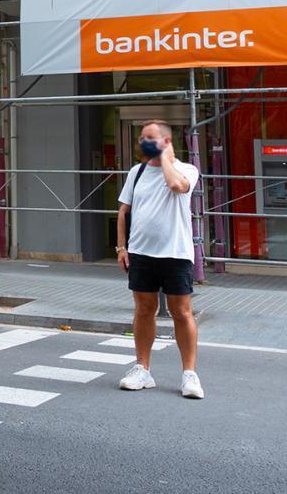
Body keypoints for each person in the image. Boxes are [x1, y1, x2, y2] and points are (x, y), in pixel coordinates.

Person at [116, 119, 203, 399]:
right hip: (141, 253)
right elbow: (124, 211)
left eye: (150, 138)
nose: (143, 142)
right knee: (143, 309)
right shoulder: (137, 172)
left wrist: (165, 158)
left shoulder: (186, 169)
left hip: (175, 253)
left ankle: (189, 374)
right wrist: (121, 248)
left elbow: (176, 186)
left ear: (166, 141)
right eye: (142, 138)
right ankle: (142, 369)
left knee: (181, 312)